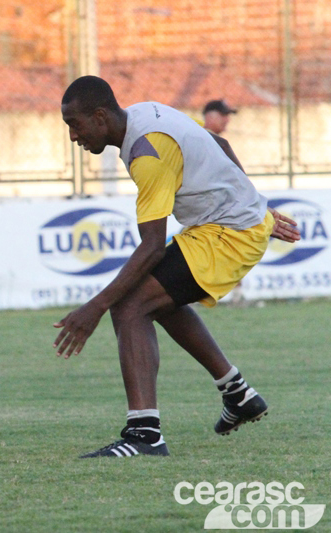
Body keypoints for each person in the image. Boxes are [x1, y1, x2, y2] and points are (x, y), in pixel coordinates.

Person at [54, 75, 300, 458]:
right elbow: (219, 144)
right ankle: (238, 395)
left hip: (229, 234)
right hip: (229, 225)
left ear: (100, 116)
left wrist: (94, 308)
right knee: (155, 298)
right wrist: (255, 204)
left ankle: (144, 435)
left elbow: (151, 247)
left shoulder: (147, 153)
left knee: (129, 305)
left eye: (75, 124)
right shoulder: (145, 112)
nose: (73, 136)